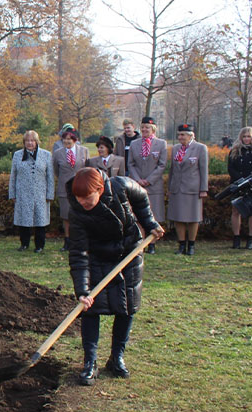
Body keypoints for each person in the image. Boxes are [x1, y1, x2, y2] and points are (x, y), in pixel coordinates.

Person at [67, 167, 164, 386]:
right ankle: (90, 362)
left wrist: (149, 223)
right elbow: (79, 253)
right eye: (79, 198)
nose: (83, 203)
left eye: (87, 198)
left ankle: (116, 358)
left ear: (100, 189)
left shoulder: (121, 186)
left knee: (127, 305)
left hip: (129, 253)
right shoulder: (78, 212)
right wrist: (82, 291)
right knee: (90, 309)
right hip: (98, 258)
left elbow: (141, 197)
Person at [8, 130, 54, 252]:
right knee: (24, 220)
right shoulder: (17, 155)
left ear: (37, 142)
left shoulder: (46, 155)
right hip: (22, 193)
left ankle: (39, 245)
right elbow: (13, 176)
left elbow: (50, 177)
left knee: (40, 220)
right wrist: (12, 194)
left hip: (40, 194)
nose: (30, 143)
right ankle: (24, 244)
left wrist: (50, 194)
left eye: (32, 140)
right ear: (24, 142)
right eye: (27, 140)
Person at [167, 124, 208, 256]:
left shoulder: (200, 148)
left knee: (192, 218)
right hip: (177, 188)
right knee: (178, 217)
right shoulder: (176, 149)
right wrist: (169, 187)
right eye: (179, 135)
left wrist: (203, 189)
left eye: (183, 135)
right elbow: (172, 170)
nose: (180, 137)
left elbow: (203, 170)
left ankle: (191, 245)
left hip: (192, 188)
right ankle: (181, 244)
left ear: (191, 135)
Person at [127, 116, 167, 254]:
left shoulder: (161, 144)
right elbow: (130, 164)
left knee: (153, 215)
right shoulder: (134, 144)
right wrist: (138, 180)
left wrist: (149, 180)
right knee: (138, 214)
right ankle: (141, 242)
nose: (144, 129)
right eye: (143, 127)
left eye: (147, 127)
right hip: (137, 184)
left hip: (153, 185)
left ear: (153, 129)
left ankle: (152, 244)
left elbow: (162, 165)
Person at [52, 128, 89, 251]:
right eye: (64, 139)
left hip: (81, 188)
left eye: (69, 139)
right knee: (66, 216)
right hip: (65, 188)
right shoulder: (57, 153)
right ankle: (67, 241)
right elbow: (56, 171)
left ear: (75, 140)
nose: (66, 141)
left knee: (81, 215)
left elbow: (88, 169)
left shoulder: (84, 151)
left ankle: (81, 241)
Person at [228, 126, 252, 249]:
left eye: (249, 136)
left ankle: (250, 239)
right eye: (244, 136)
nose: (246, 139)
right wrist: (239, 180)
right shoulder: (234, 150)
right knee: (235, 211)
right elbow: (230, 168)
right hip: (237, 184)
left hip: (251, 185)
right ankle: (236, 238)